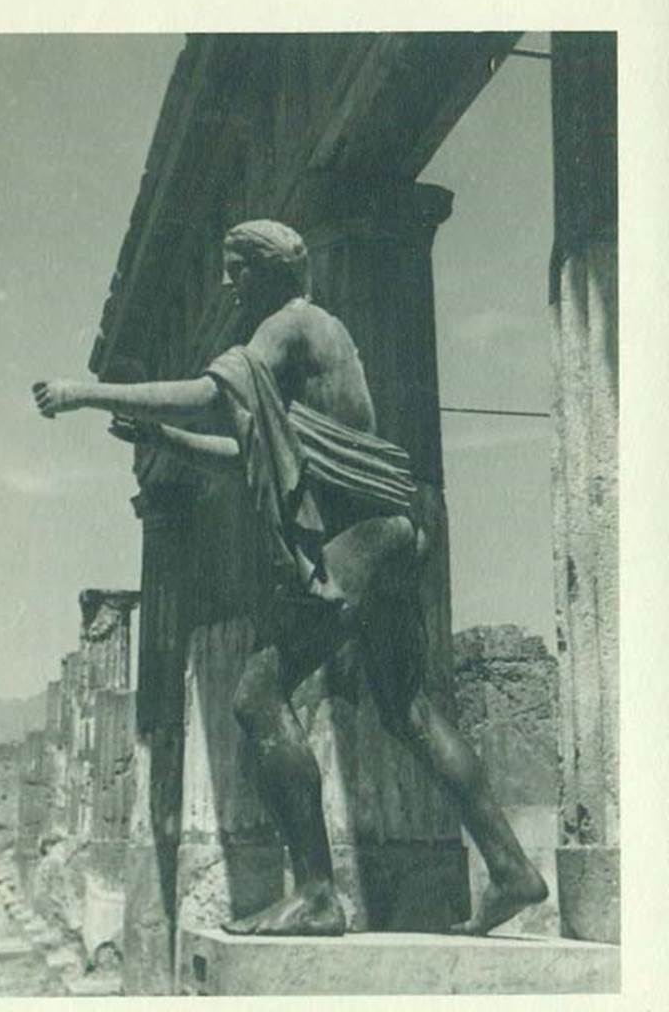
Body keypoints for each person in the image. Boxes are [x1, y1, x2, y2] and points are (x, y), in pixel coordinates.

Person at [33, 219, 547, 937]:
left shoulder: (287, 325)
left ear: (270, 271)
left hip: (361, 536)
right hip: (394, 529)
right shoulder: (316, 335)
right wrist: (162, 441)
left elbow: (211, 395)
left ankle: (316, 893)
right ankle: (513, 870)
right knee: (409, 710)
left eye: (235, 269)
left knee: (257, 696)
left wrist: (88, 393)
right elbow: (251, 453)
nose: (225, 284)